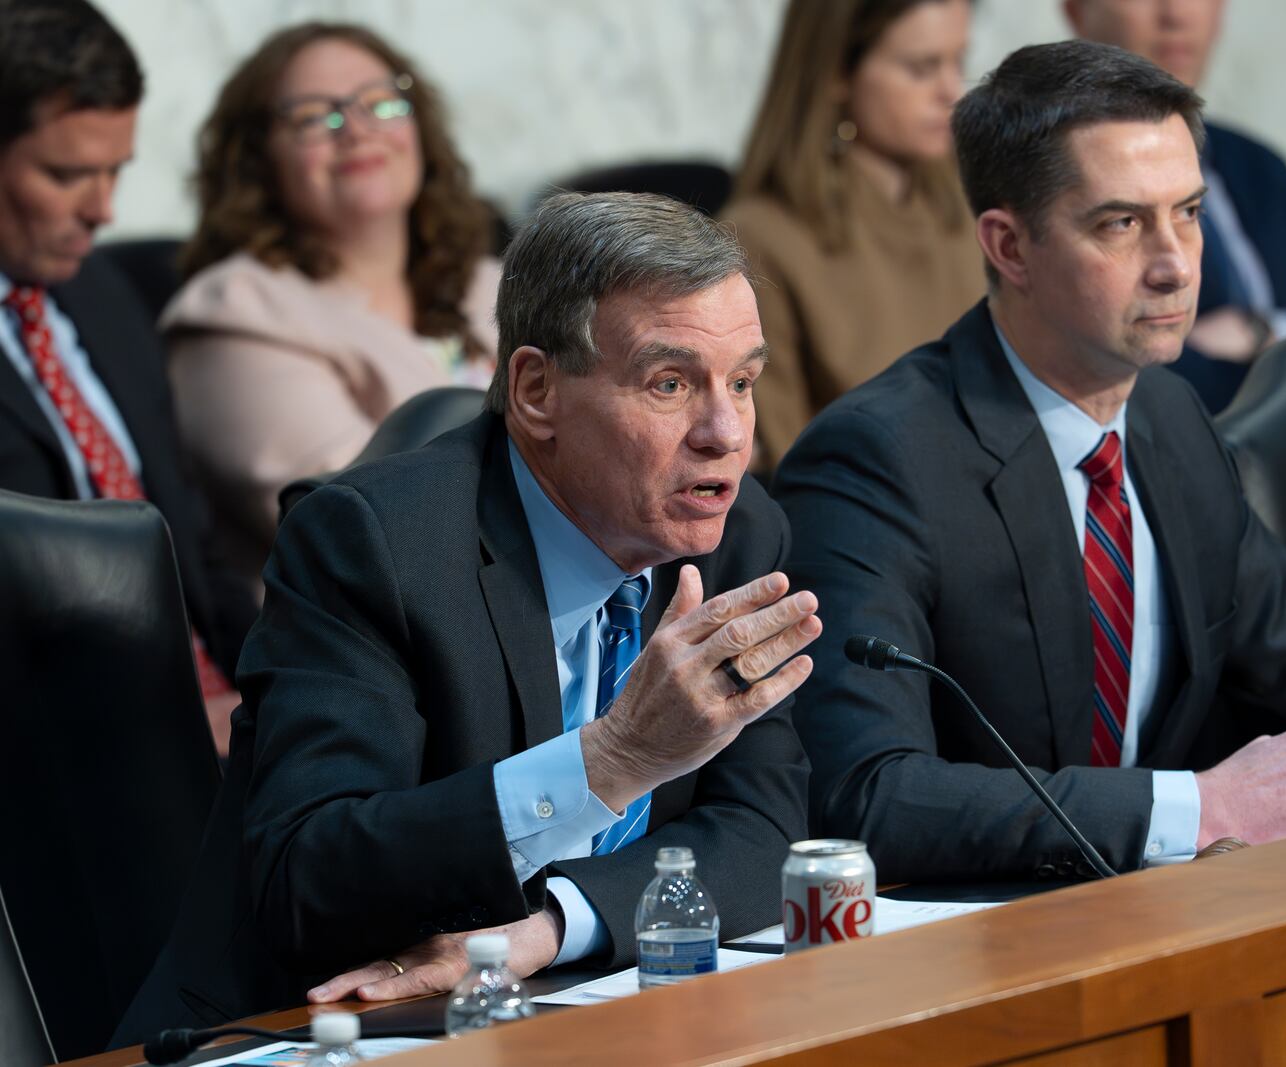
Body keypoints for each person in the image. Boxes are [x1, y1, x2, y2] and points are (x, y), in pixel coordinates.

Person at [113, 191, 818, 1041]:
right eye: (670, 383)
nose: (725, 433)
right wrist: (613, 758)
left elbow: (763, 824)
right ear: (535, 390)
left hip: (561, 1009)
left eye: (743, 381)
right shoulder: (372, 546)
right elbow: (308, 875)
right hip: (304, 1028)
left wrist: (545, 929)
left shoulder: (738, 533)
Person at [773, 41, 1286, 884]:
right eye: (1122, 223)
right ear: (1010, 247)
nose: (1177, 263)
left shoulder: (1170, 417)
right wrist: (1202, 807)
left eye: (1189, 211)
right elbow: (865, 795)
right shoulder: (880, 460)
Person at [0, 0, 254, 752]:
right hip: (74, 748)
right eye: (67, 174)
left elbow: (193, 542)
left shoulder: (101, 292)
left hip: (220, 718)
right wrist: (165, 724)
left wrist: (289, 685)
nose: (104, 209)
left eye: (116, 171)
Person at [162, 22, 501, 581]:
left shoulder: (493, 280)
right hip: (384, 653)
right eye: (316, 116)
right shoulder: (231, 314)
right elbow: (361, 533)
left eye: (380, 102)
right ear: (257, 158)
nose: (357, 130)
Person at [1064, 0, 1286, 412]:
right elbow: (1131, 384)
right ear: (1076, 9)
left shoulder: (1256, 167)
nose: (1177, 14)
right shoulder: (1058, 185)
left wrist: (1264, 331)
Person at [721, 0, 985, 466]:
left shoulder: (972, 211)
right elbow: (786, 465)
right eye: (922, 68)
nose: (951, 90)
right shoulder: (760, 240)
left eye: (957, 62)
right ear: (837, 75)